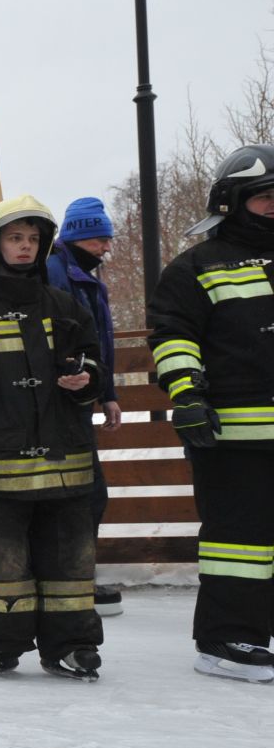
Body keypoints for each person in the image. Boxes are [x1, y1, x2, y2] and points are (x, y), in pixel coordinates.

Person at [0, 197, 106, 679]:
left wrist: (89, 380)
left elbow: (93, 361)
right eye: (15, 238)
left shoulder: (64, 304)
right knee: (3, 562)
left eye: (33, 239)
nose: (25, 247)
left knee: (70, 559)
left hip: (66, 459)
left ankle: (71, 646)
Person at [148, 144, 274, 683]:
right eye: (265, 198)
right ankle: (226, 638)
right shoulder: (195, 267)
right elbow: (174, 338)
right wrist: (188, 396)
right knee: (238, 540)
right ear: (231, 202)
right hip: (233, 434)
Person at [47, 196, 124, 617]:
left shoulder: (87, 277)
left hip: (78, 401)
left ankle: (76, 576)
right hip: (57, 406)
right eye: (100, 241)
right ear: (79, 236)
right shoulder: (55, 274)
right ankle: (71, 581)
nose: (106, 249)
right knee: (82, 495)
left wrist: (107, 392)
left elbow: (101, 343)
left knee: (88, 494)